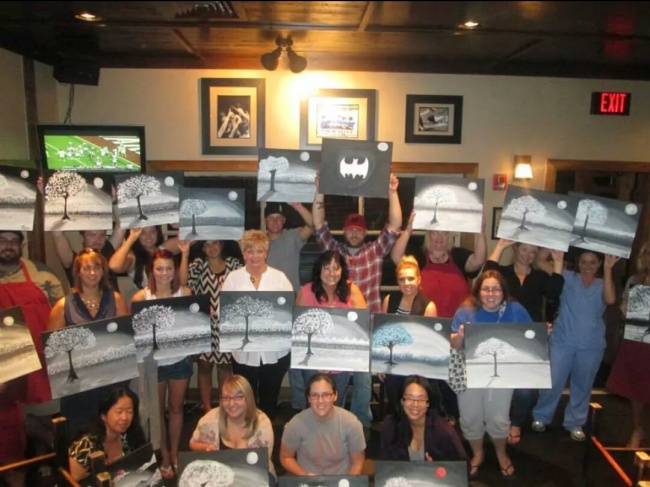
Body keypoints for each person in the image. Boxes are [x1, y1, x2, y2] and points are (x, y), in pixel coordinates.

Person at [312, 173, 402, 434]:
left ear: (364, 232)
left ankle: (361, 424)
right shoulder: (333, 253)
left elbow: (395, 224)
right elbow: (318, 224)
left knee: (363, 381)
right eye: (350, 229)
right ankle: (334, 421)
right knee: (336, 379)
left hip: (367, 328)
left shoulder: (375, 251)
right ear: (344, 231)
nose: (354, 233)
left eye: (359, 229)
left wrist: (392, 191)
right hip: (337, 329)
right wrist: (319, 189)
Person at [391, 211, 487, 419]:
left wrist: (481, 230)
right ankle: (431, 417)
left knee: (455, 385)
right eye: (435, 233)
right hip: (428, 333)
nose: (439, 237)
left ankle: (454, 419)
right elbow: (396, 257)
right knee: (431, 380)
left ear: (450, 236)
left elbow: (479, 260)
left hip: (457, 332)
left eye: (444, 233)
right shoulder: (419, 257)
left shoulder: (458, 256)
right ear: (428, 235)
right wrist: (409, 229)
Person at [451, 270, 532, 480]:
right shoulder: (465, 311)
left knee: (499, 418)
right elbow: (453, 344)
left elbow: (530, 337)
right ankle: (477, 454)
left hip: (502, 374)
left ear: (503, 291)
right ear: (478, 291)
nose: (491, 293)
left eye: (496, 289)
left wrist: (543, 333)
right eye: (486, 289)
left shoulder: (515, 310)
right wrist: (460, 335)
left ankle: (501, 454)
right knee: (470, 418)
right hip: (469, 374)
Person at [0, 230, 65, 486]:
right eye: (2, 240)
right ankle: (16, 473)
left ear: (22, 245)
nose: (8, 246)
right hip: (6, 365)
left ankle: (47, 464)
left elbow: (61, 311)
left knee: (44, 419)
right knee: (11, 429)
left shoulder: (42, 275)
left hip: (41, 362)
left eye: (14, 241)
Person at [484, 239, 565, 444]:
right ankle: (496, 421)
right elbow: (487, 272)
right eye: (524, 249)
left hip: (530, 339)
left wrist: (558, 261)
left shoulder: (539, 277)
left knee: (526, 390)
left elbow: (555, 291)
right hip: (502, 335)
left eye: (533, 252)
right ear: (516, 248)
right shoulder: (503, 274)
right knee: (498, 382)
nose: (528, 255)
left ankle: (516, 423)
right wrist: (500, 246)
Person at [532, 251, 618, 442]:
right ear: (578, 263)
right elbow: (539, 261)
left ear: (599, 264)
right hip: (563, 340)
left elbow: (610, 300)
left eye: (593, 262)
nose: (588, 266)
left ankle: (575, 422)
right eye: (584, 262)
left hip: (591, 344)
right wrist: (557, 240)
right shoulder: (567, 277)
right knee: (553, 380)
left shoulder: (603, 283)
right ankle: (541, 416)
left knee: (583, 385)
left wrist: (608, 269)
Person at [48, 248, 130, 438]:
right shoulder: (63, 305)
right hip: (79, 386)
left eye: (97, 267)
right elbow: (52, 350)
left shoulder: (116, 300)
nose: (92, 273)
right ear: (77, 272)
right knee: (80, 435)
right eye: (86, 268)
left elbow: (127, 340)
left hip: (111, 381)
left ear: (103, 271)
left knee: (112, 432)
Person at [130, 248, 192, 478]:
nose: (164, 273)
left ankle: (175, 453)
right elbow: (135, 335)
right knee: (156, 413)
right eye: (160, 269)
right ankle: (164, 455)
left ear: (175, 270)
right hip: (152, 364)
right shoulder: (141, 298)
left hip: (179, 360)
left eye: (169, 268)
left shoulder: (184, 293)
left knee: (176, 409)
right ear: (151, 271)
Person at [221, 230, 293, 419]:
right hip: (244, 354)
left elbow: (289, 313)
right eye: (250, 251)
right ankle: (247, 436)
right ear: (243, 253)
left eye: (259, 251)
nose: (255, 256)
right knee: (245, 403)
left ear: (266, 253)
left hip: (275, 354)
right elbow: (225, 313)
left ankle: (266, 434)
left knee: (270, 401)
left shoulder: (279, 278)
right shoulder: (233, 279)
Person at [296, 250, 366, 405]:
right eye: (327, 268)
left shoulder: (352, 290)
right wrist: (319, 362)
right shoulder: (306, 292)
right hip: (313, 360)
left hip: (342, 359)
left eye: (336, 268)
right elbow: (299, 332)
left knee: (337, 402)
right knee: (314, 402)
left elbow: (361, 328)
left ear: (342, 270)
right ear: (319, 269)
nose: (331, 273)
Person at [180, 240, 242, 413]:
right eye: (207, 244)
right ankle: (207, 407)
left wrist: (241, 244)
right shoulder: (199, 265)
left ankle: (225, 406)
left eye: (215, 243)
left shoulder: (233, 264)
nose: (212, 247)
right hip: (204, 324)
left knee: (225, 367)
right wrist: (184, 254)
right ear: (203, 248)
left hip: (228, 324)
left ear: (222, 245)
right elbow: (184, 282)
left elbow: (246, 279)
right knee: (204, 366)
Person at [264, 202, 314, 412]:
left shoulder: (293, 237)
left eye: (279, 218)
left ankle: (301, 405)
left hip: (293, 307)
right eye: (271, 218)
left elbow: (313, 225)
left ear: (284, 220)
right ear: (265, 221)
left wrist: (298, 206)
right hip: (266, 310)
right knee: (270, 360)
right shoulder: (259, 242)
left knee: (296, 357)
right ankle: (267, 403)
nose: (275, 221)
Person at [189, 375, 277, 485]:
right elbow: (193, 444)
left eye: (238, 397)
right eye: (226, 398)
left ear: (248, 398)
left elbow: (262, 461)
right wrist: (206, 448)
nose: (231, 404)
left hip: (254, 474)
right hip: (219, 476)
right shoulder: (210, 419)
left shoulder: (262, 423)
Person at [380, 255, 437, 414]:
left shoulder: (428, 306)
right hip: (393, 362)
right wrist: (380, 365)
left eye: (411, 278)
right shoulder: (389, 300)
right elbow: (383, 334)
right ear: (397, 282)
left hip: (417, 365)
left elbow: (430, 345)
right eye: (402, 279)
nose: (406, 283)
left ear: (419, 279)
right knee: (395, 404)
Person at [607, 240, 650, 448]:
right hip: (637, 342)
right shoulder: (636, 280)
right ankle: (637, 429)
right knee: (636, 389)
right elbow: (626, 309)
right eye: (649, 254)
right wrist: (625, 311)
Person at [280, 373, 366, 476]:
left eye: (326, 395)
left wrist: (347, 482)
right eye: (314, 395)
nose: (320, 401)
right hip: (307, 480)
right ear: (309, 398)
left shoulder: (351, 423)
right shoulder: (295, 424)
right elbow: (285, 457)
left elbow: (357, 463)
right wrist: (303, 475)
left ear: (335, 396)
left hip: (341, 480)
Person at [379, 375, 467, 462]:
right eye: (409, 398)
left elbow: (463, 466)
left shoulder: (443, 431)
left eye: (421, 399)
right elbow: (385, 466)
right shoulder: (389, 427)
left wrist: (437, 468)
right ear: (402, 401)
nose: (415, 404)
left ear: (428, 403)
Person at [68, 386, 146, 481]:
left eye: (129, 412)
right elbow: (71, 482)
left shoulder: (132, 435)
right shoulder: (85, 445)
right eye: (119, 412)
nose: (125, 417)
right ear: (103, 415)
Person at [108, 225, 179, 292]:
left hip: (171, 294)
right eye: (143, 233)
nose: (148, 237)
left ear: (158, 233)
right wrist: (131, 238)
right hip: (145, 298)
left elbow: (185, 240)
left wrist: (178, 225)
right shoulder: (133, 257)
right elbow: (114, 266)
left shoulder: (163, 250)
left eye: (152, 232)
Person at [52, 228, 124, 291]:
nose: (98, 241)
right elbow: (57, 234)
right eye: (92, 235)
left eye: (102, 235)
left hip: (112, 301)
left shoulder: (108, 254)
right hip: (83, 302)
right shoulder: (76, 262)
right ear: (82, 237)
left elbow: (122, 224)